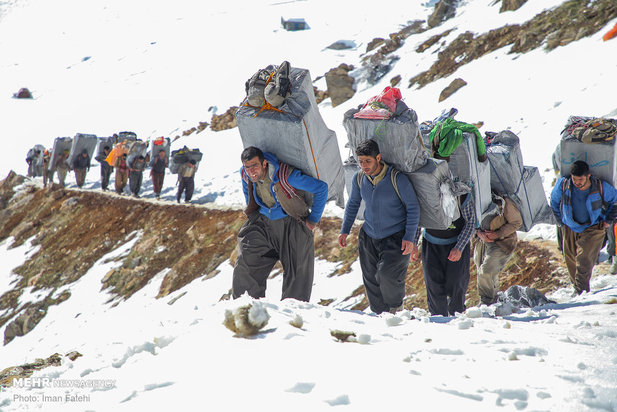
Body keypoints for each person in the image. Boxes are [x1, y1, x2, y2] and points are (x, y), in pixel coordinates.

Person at [232, 146, 328, 302]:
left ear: (264, 164)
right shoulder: (245, 175)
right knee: (246, 263)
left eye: (254, 166)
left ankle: (292, 316)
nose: (251, 171)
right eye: (247, 167)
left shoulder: (286, 176)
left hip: (292, 223)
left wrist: (313, 220)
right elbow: (248, 193)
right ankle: (246, 307)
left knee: (297, 275)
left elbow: (321, 188)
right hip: (263, 224)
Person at [338, 140, 420, 314]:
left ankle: (396, 310)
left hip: (396, 237)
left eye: (367, 161)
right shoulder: (359, 178)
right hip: (368, 235)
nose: (363, 165)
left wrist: (410, 238)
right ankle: (378, 316)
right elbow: (353, 204)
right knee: (370, 279)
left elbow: (413, 208)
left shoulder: (397, 179)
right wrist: (345, 230)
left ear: (378, 157)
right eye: (360, 161)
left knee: (387, 275)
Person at [414, 151, 477, 317]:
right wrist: (413, 243)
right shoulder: (425, 193)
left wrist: (459, 247)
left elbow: (471, 222)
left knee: (457, 285)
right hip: (431, 244)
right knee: (434, 287)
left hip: (456, 243)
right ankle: (438, 322)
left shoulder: (461, 193)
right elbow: (418, 219)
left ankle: (458, 322)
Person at [550, 160, 617, 294]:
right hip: (570, 226)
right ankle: (577, 288)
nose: (577, 182)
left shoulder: (599, 186)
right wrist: (560, 221)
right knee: (570, 258)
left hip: (593, 226)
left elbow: (615, 201)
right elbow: (554, 202)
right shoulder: (564, 185)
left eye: (580, 179)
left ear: (588, 176)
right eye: (574, 179)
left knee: (584, 258)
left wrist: (607, 220)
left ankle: (581, 290)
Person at [473, 193, 523, 305]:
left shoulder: (503, 202)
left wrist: (497, 234)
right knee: (487, 272)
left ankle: (486, 301)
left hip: (502, 243)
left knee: (486, 271)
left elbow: (516, 222)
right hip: (482, 242)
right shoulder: (474, 199)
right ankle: (494, 301)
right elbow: (469, 221)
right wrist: (479, 233)